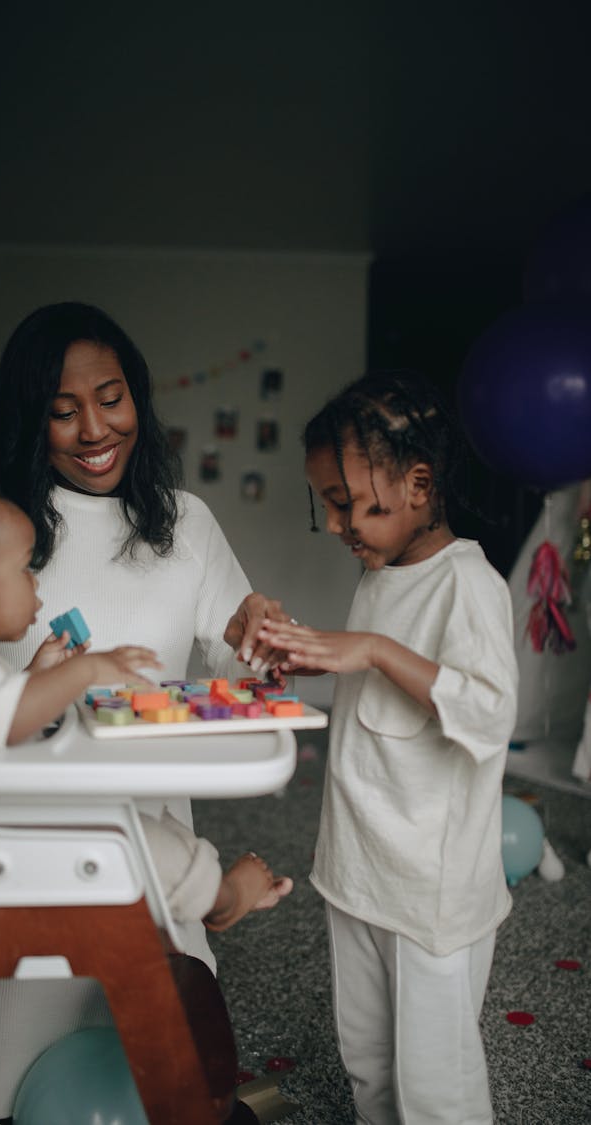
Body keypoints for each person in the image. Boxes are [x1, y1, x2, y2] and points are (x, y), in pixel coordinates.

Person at [0, 301, 288, 962]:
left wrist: (262, 637)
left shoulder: (186, 523)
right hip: (22, 836)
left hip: (145, 832)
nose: (94, 429)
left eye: (112, 399)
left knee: (162, 1009)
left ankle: (198, 897)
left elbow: (247, 664)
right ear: (32, 418)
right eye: (63, 409)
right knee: (25, 1015)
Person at [255, 371, 518, 1125]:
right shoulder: (381, 573)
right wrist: (315, 657)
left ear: (418, 483)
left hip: (430, 893)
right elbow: (375, 688)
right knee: (367, 1058)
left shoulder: (468, 582)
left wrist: (369, 648)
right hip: (358, 870)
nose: (336, 525)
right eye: (326, 505)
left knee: (434, 1082)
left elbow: (488, 711)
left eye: (344, 502)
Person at [0, 473, 293, 933]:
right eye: (23, 569)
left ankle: (198, 880)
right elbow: (5, 722)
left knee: (135, 819)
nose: (35, 585)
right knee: (127, 840)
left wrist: (35, 676)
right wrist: (83, 672)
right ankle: (222, 899)